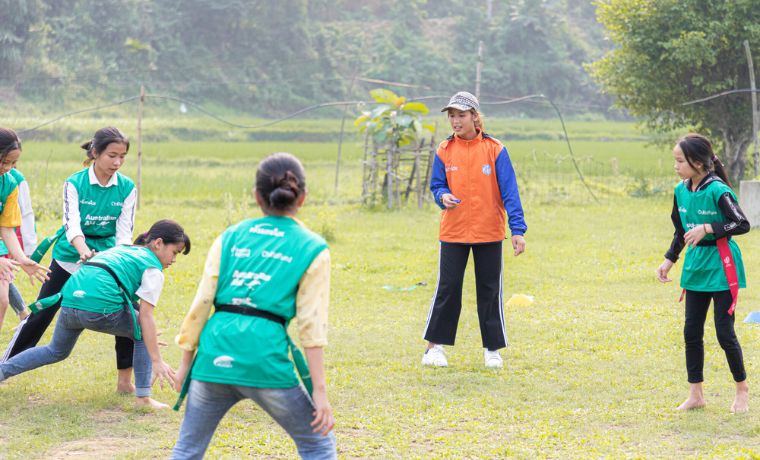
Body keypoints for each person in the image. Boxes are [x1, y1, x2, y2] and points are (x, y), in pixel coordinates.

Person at [172, 152, 336, 459]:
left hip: (212, 356)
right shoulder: (313, 247)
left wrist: (185, 364)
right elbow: (311, 326)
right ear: (302, 198)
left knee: (187, 450)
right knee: (317, 444)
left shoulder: (230, 236)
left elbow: (203, 300)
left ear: (256, 196)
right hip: (265, 358)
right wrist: (320, 393)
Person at [3, 127, 138, 393]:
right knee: (40, 315)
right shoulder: (74, 183)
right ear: (96, 153)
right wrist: (84, 251)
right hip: (69, 258)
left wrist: (112, 260)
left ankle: (125, 383)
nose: (117, 162)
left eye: (122, 157)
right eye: (112, 155)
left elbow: (125, 234)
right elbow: (72, 225)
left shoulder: (127, 188)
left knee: (130, 314)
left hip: (107, 261)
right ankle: (3, 367)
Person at [0, 219, 190, 409]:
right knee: (141, 333)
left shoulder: (123, 250)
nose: (173, 259)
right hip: (97, 309)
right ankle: (143, 399)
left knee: (55, 350)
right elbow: (145, 316)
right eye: (174, 252)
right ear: (158, 243)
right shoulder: (153, 269)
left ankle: (1, 371)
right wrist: (156, 360)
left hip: (69, 301)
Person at [422, 91, 527, 369]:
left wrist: (517, 229)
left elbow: (510, 192)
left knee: (490, 290)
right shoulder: (444, 150)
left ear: (475, 117)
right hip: (453, 232)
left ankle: (492, 350)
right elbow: (436, 185)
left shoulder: (495, 149)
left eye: (461, 115)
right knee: (448, 288)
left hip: (489, 232)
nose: (455, 121)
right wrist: (442, 196)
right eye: (451, 116)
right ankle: (434, 349)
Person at [656, 133, 750, 413]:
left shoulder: (718, 190)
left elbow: (741, 223)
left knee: (724, 332)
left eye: (680, 161)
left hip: (722, 266)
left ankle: (741, 389)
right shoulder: (680, 191)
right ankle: (696, 394)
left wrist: (709, 228)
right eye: (675, 161)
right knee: (691, 332)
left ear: (698, 162)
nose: (676, 166)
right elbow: (680, 230)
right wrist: (669, 260)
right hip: (695, 268)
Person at [0, 128, 48, 332]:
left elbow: (7, 228)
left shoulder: (9, 183)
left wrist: (21, 258)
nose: (8, 168)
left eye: (13, 163)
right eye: (4, 161)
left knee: (2, 300)